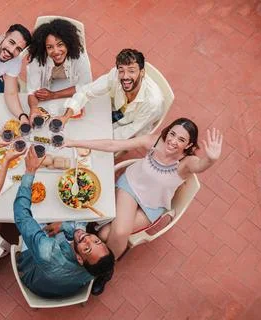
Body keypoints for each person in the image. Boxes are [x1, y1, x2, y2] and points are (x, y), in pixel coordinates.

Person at [65, 118, 223, 259]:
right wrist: (73, 142)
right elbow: (113, 145)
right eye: (172, 134)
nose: (173, 141)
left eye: (181, 139)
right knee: (118, 233)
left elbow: (200, 165)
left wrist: (210, 159)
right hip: (131, 186)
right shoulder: (155, 142)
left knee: (106, 234)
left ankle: (105, 268)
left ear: (188, 145)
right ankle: (104, 265)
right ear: (168, 132)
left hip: (152, 205)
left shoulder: (187, 163)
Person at [13, 146, 115, 298]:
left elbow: (22, 216)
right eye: (96, 241)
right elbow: (83, 239)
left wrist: (30, 172)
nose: (87, 238)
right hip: (69, 285)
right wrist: (65, 227)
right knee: (79, 223)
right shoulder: (96, 267)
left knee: (39, 217)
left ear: (80, 259)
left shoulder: (46, 250)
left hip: (35, 278)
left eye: (87, 248)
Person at [60, 48, 164, 139]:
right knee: (83, 123)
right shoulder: (115, 74)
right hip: (117, 109)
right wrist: (66, 116)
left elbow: (132, 130)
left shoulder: (152, 103)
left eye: (131, 71)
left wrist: (100, 138)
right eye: (121, 70)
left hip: (133, 125)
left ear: (142, 72)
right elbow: (86, 91)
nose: (125, 76)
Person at [26, 19, 92, 122]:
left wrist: (54, 95)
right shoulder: (37, 59)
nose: (56, 52)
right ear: (44, 48)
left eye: (60, 45)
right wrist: (34, 109)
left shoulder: (80, 57)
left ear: (68, 43)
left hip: (69, 86)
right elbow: (32, 91)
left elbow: (85, 86)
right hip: (47, 85)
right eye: (50, 47)